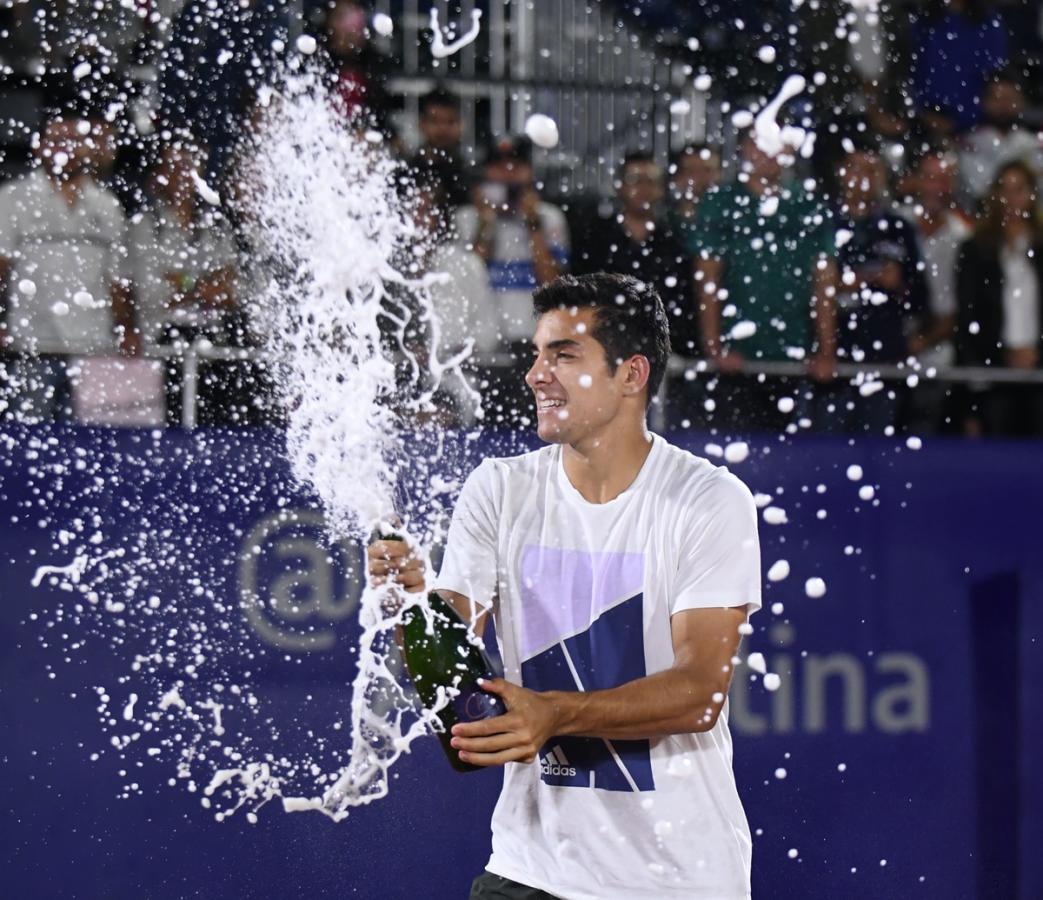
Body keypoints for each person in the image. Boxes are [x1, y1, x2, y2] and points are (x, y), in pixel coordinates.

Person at [370, 272, 761, 900]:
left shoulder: (708, 500)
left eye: (563, 355)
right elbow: (455, 690)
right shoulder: (498, 489)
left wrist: (553, 715)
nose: (535, 374)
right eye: (535, 354)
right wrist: (415, 606)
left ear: (631, 376)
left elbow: (697, 693)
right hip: (530, 870)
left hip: (677, 881)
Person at [693, 131, 838, 433]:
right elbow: (708, 276)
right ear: (745, 148)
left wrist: (826, 350)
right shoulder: (720, 202)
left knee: (792, 457)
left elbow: (824, 282)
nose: (768, 153)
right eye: (761, 143)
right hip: (736, 356)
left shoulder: (809, 206)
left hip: (796, 355)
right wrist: (714, 345)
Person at [0, 114, 138, 421]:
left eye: (73, 140)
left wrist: (127, 328)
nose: (65, 148)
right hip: (32, 346)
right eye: (56, 140)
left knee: (93, 449)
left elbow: (117, 279)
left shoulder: (108, 205)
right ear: (39, 147)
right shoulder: (12, 198)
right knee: (29, 447)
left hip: (95, 347)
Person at [455, 135, 569, 427]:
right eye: (499, 166)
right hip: (481, 341)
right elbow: (468, 276)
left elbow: (554, 285)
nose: (508, 173)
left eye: (516, 166)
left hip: (530, 343)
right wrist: (486, 223)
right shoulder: (467, 218)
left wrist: (533, 225)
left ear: (529, 172)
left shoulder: (549, 218)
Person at [825, 146, 929, 433]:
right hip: (831, 360)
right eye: (856, 168)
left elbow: (920, 297)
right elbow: (808, 288)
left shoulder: (898, 228)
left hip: (884, 359)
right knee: (824, 455)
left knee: (877, 457)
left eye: (872, 170)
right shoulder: (822, 223)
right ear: (841, 173)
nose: (863, 178)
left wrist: (900, 286)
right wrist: (847, 281)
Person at [955, 160, 1043, 437]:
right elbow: (968, 318)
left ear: (1031, 195)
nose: (1011, 198)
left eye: (1019, 189)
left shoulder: (1041, 248)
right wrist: (1002, 356)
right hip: (993, 374)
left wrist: (1036, 353)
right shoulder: (975, 250)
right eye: (1004, 189)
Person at [959, 71, 1043, 203]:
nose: (1003, 106)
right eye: (997, 99)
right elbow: (978, 190)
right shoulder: (969, 144)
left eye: (1009, 99)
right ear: (984, 102)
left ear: (1022, 102)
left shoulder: (1035, 144)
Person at [410, 86, 472, 209]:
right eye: (435, 122)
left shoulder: (469, 175)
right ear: (422, 125)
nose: (443, 129)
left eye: (450, 122)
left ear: (461, 126)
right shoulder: (408, 171)